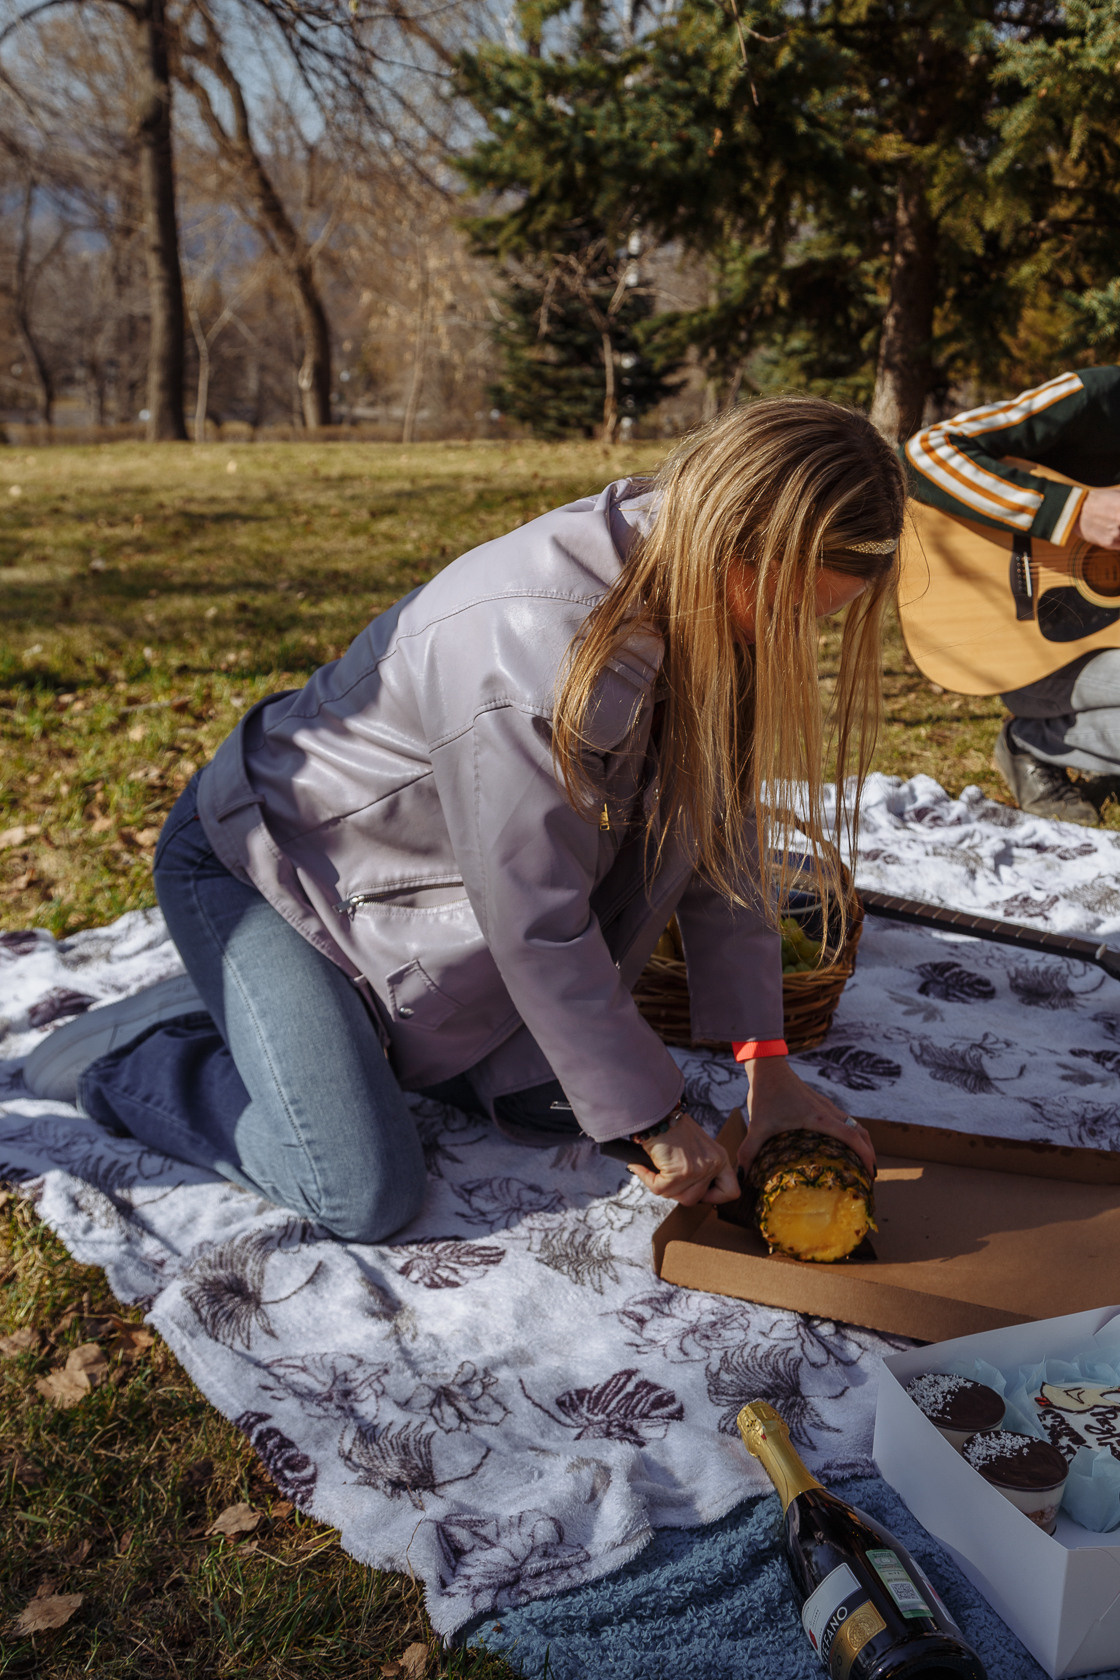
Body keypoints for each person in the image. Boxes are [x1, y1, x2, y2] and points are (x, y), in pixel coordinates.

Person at [26, 398, 903, 1243]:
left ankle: (301, 1019)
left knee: (556, 1110)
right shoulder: (532, 646)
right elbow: (535, 918)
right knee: (360, 1186)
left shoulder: (713, 597)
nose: (794, 640)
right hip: (272, 872)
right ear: (735, 546)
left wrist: (767, 1064)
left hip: (421, 905)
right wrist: (659, 1116)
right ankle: (134, 1053)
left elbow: (720, 844)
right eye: (792, 611)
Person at [903, 366, 1120, 824]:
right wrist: (1073, 512)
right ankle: (1032, 744)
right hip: (1030, 650)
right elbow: (927, 452)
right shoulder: (1098, 398)